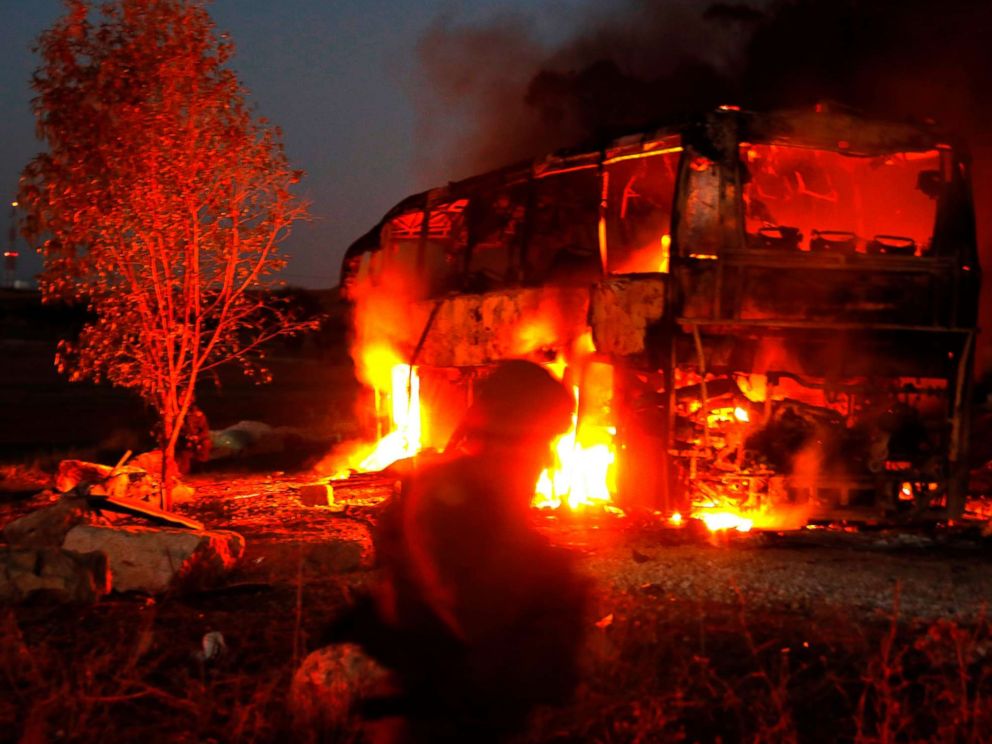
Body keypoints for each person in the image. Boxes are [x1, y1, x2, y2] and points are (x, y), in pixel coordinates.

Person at [324, 360, 590, 742]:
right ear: (505, 436)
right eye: (542, 441)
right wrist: (556, 590)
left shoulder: (488, 502)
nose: (546, 460)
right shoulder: (446, 502)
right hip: (428, 719)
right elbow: (475, 617)